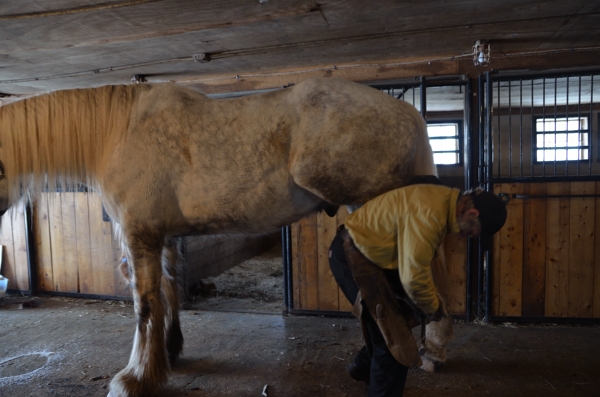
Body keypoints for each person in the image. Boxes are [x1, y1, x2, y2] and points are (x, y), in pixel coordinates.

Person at [328, 181, 507, 397]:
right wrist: (433, 308)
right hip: (352, 256)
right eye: (471, 231)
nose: (464, 236)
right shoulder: (430, 213)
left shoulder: (444, 201)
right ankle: (371, 376)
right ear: (471, 212)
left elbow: (415, 263)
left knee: (392, 327)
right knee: (395, 345)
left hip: (374, 254)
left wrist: (428, 303)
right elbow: (413, 278)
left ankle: (363, 366)